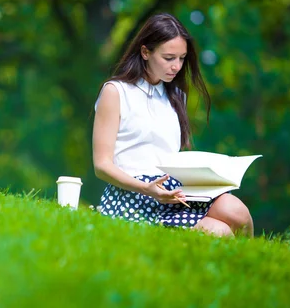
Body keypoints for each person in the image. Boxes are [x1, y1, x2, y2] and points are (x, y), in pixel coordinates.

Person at [92, 13, 253, 237]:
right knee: (220, 232)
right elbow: (102, 166)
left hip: (173, 192)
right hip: (132, 195)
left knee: (238, 213)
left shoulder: (176, 96)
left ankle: (254, 265)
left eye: (182, 58)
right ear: (145, 52)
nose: (176, 66)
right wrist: (145, 189)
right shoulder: (116, 91)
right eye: (169, 58)